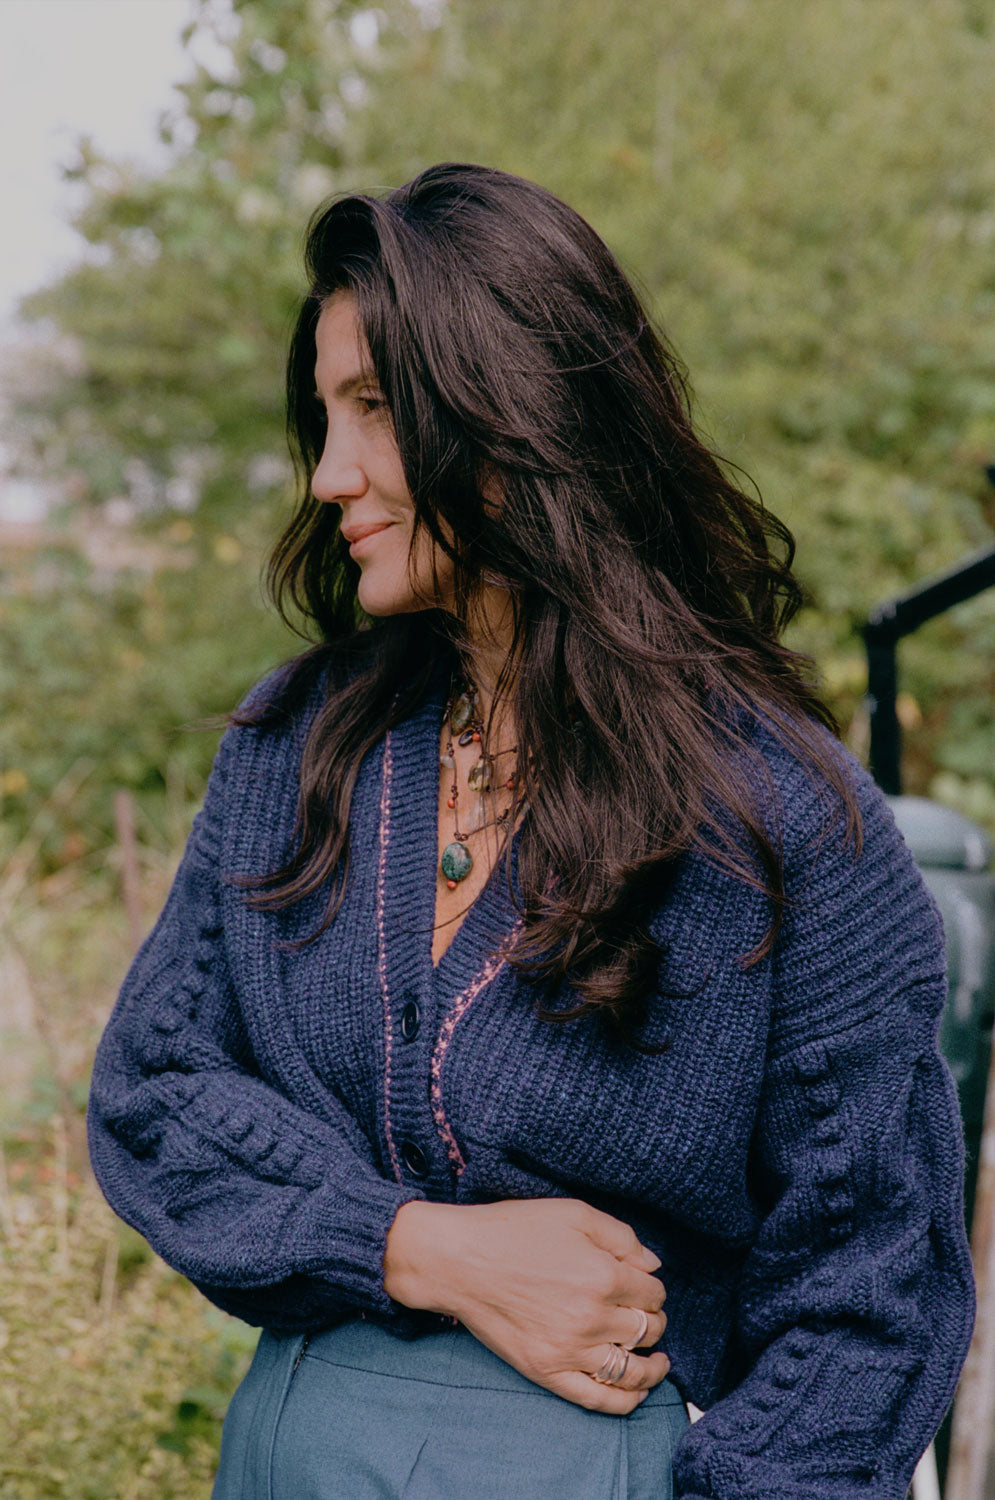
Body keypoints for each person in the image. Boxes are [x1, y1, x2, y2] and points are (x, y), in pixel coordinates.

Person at [86, 161, 975, 1499]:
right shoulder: (296, 747)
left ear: (511, 415)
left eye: (373, 409)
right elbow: (153, 1094)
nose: (328, 474)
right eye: (324, 416)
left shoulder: (783, 822)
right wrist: (417, 1247)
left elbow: (869, 1298)